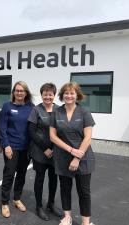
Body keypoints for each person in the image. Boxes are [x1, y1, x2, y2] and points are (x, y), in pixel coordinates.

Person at [49, 82, 96, 225]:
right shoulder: (56, 112)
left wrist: (76, 157)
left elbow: (88, 137)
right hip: (62, 157)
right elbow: (53, 136)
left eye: (72, 93)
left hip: (83, 157)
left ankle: (85, 222)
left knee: (84, 191)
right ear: (62, 95)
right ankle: (67, 217)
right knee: (65, 188)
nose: (69, 96)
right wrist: (70, 150)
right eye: (66, 93)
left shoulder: (84, 112)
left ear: (77, 95)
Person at [0, 81, 33, 218]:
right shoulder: (7, 106)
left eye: (22, 90)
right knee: (9, 174)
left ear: (26, 93)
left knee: (21, 174)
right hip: (11, 147)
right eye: (17, 90)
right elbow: (2, 127)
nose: (19, 93)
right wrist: (5, 145)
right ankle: (5, 202)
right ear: (13, 92)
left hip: (26, 148)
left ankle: (17, 199)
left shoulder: (31, 107)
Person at [28, 83, 62, 221]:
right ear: (41, 95)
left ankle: (51, 204)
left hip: (56, 152)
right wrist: (45, 149)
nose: (48, 97)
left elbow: (62, 130)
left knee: (54, 179)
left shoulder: (60, 110)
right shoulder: (36, 110)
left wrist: (54, 149)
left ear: (54, 95)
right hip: (39, 151)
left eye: (50, 94)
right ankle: (39, 206)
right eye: (45, 94)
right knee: (40, 178)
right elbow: (31, 131)